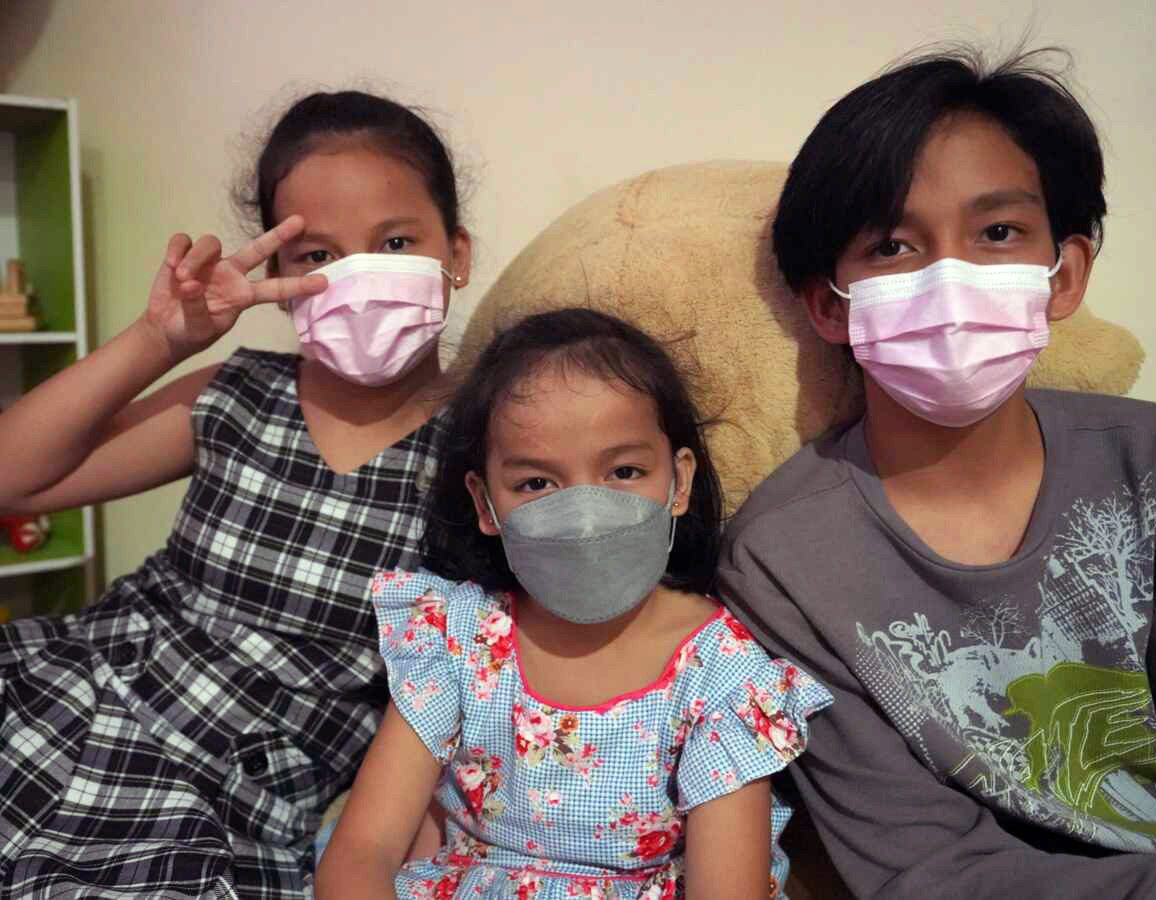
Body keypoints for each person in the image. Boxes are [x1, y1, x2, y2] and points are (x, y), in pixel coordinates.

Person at [0, 89, 473, 900]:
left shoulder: (483, 458)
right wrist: (157, 341)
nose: (356, 276)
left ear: (455, 251)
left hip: (223, 799)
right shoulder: (236, 393)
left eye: (393, 240)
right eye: (315, 255)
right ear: (273, 273)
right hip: (51, 696)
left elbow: (469, 695)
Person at [722, 46, 1156, 899]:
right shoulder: (784, 562)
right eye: (892, 245)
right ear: (827, 305)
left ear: (1063, 275)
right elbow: (923, 867)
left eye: (997, 233)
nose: (950, 277)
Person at [316, 308, 833, 899]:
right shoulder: (455, 639)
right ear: (486, 504)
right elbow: (360, 853)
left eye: (623, 471)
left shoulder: (724, 678)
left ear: (679, 483)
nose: (586, 514)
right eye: (537, 483)